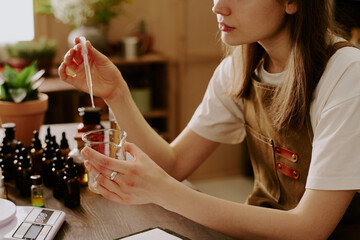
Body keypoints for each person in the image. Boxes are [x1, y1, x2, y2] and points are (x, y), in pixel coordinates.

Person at [59, 0, 360, 238]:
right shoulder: (238, 69)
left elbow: (309, 228)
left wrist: (164, 190)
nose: (218, 6)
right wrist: (117, 94)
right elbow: (173, 164)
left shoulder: (347, 75)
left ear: (291, 2)